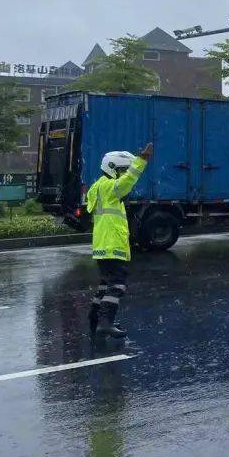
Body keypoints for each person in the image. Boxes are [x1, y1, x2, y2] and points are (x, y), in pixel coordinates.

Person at [86, 143, 153, 339]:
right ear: (112, 168)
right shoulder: (109, 187)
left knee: (105, 285)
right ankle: (105, 323)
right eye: (122, 170)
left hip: (102, 245)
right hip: (112, 244)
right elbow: (127, 182)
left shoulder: (97, 186)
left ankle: (95, 318)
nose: (124, 174)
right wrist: (141, 161)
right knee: (117, 284)